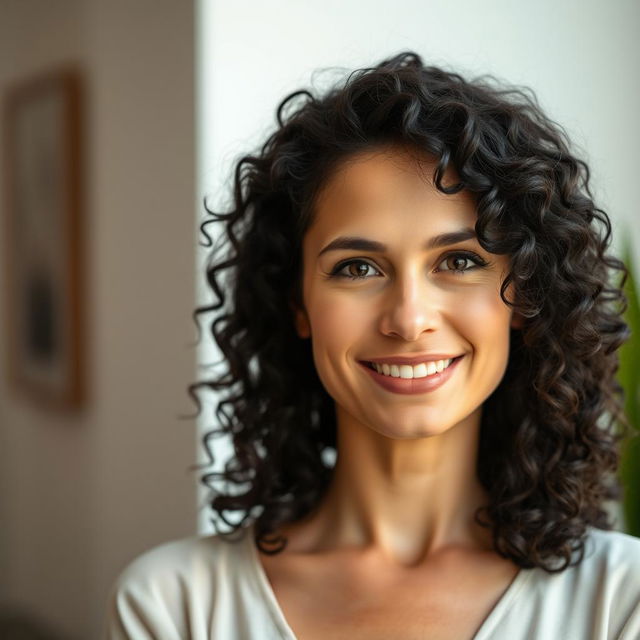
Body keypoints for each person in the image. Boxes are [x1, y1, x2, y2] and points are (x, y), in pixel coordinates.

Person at [103, 51, 640, 639]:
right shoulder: (174, 604)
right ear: (299, 304)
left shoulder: (619, 600)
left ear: (525, 299)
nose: (409, 319)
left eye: (460, 261)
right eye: (357, 268)